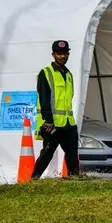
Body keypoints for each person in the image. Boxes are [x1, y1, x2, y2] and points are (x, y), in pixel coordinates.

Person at [31, 40, 80, 179]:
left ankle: (74, 178)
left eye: (65, 53)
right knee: (47, 152)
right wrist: (48, 120)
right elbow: (44, 98)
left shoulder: (68, 75)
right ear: (53, 54)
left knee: (72, 153)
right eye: (59, 53)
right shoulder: (46, 73)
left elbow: (67, 100)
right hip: (52, 123)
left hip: (68, 122)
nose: (62, 56)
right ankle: (34, 178)